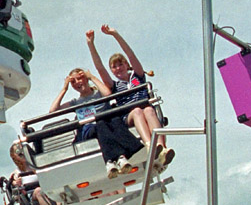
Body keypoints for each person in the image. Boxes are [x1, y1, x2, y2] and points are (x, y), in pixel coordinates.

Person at [88, 26, 175, 169]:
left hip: (145, 109)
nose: (118, 68)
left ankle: (161, 148)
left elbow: (131, 54)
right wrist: (91, 44)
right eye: (114, 67)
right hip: (129, 116)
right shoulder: (114, 85)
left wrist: (115, 34)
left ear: (126, 65)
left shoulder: (138, 76)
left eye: (120, 64)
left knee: (148, 110)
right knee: (137, 111)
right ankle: (149, 145)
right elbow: (100, 68)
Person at [49, 67, 146, 179]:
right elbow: (53, 110)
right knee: (100, 123)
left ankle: (118, 159)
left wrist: (92, 77)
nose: (77, 83)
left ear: (85, 79)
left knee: (112, 120)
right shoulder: (75, 102)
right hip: (90, 129)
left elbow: (107, 94)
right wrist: (64, 88)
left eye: (79, 79)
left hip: (108, 124)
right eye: (73, 82)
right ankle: (117, 157)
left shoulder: (98, 93)